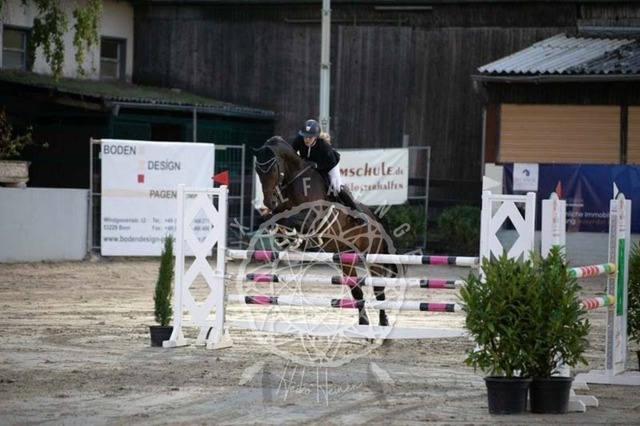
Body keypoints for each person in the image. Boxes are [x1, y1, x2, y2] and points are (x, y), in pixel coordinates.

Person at [291, 119, 367, 224]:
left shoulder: (323, 146)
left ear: (316, 137)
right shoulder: (299, 140)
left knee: (336, 186)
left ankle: (358, 212)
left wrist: (317, 165)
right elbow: (292, 153)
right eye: (305, 136)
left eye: (310, 137)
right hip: (310, 166)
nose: (307, 139)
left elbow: (330, 162)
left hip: (329, 165)